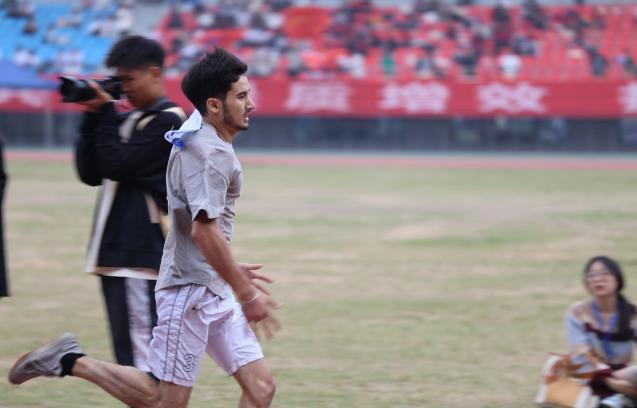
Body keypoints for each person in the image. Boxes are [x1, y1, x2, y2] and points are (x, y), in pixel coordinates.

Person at [9, 48, 281, 408]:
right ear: (214, 105)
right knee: (163, 400)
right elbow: (203, 231)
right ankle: (69, 360)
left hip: (210, 286)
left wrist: (225, 267)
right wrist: (245, 293)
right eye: (242, 96)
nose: (252, 104)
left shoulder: (200, 134)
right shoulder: (209, 154)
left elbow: (199, 225)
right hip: (189, 293)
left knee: (261, 388)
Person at [74, 35, 185, 373]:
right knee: (136, 365)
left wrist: (107, 113)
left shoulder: (170, 122)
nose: (123, 89)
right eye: (118, 80)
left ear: (155, 73)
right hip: (119, 254)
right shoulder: (130, 119)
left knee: (141, 368)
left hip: (137, 254)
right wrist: (92, 117)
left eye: (128, 79)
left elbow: (118, 165)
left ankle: (70, 362)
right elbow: (91, 172)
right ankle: (68, 361)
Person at [565, 256, 637, 408]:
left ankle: (617, 400)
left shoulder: (632, 314)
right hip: (589, 375)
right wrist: (609, 381)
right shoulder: (577, 312)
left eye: (605, 273)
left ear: (617, 279)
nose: (598, 279)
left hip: (623, 375)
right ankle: (617, 399)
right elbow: (580, 357)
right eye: (591, 275)